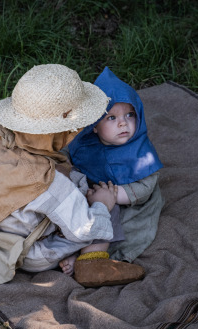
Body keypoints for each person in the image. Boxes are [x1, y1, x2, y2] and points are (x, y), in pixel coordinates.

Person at [0, 64, 145, 287]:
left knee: (74, 190)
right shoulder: (46, 182)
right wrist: (101, 204)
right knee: (105, 208)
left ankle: (71, 251)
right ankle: (90, 262)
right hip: (31, 252)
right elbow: (84, 229)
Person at [66, 66, 164, 264]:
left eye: (130, 115)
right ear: (94, 125)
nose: (123, 123)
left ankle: (95, 257)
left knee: (118, 224)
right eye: (111, 118)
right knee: (71, 212)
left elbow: (146, 186)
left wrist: (112, 196)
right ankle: (68, 251)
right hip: (92, 191)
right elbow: (68, 159)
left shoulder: (140, 151)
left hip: (126, 198)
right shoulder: (83, 144)